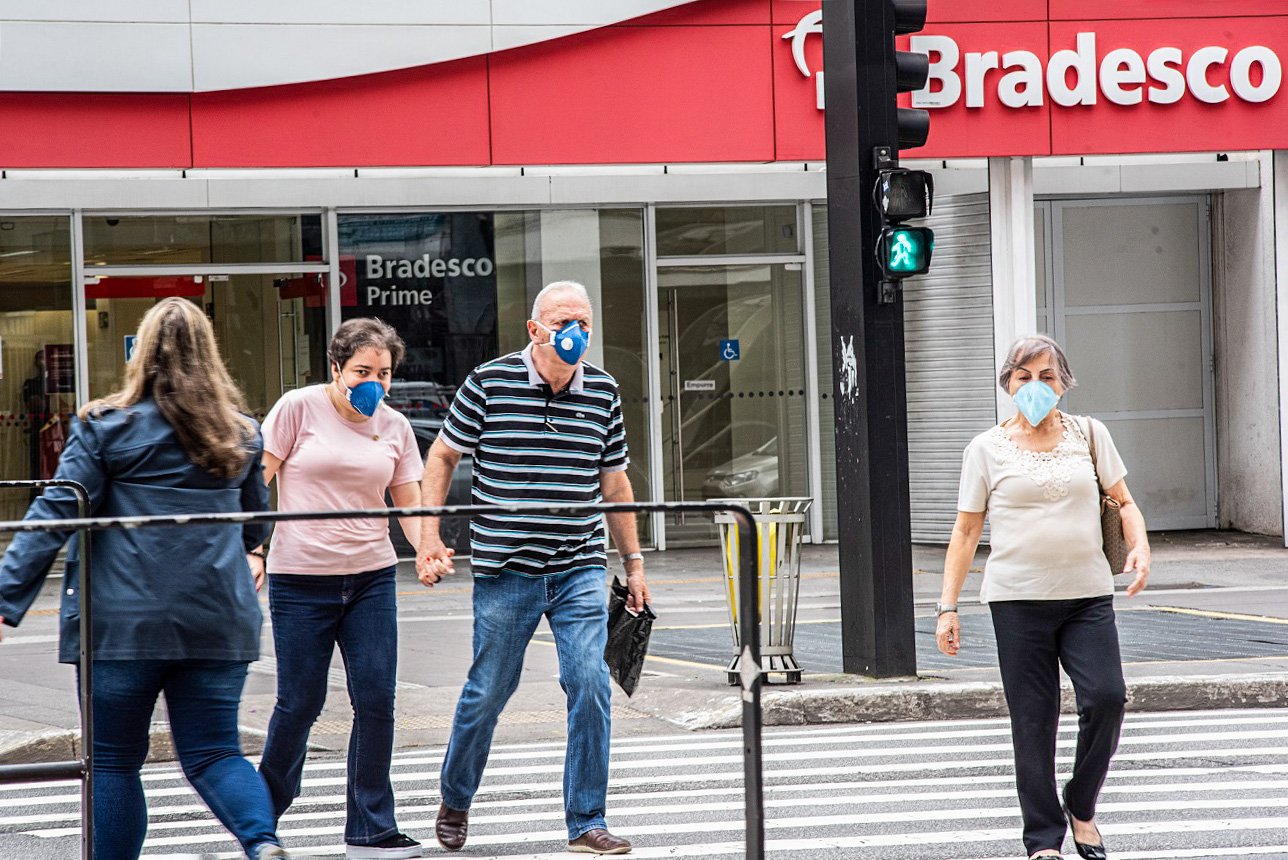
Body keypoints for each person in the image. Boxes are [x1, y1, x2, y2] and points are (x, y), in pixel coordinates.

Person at [0, 298, 287, 860]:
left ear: (142, 354)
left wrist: (6, 598)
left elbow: (57, 512)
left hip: (121, 624)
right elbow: (256, 520)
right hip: (217, 617)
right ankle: (263, 841)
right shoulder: (242, 434)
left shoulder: (103, 426)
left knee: (112, 760)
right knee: (213, 753)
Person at [419, 280, 648, 856]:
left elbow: (613, 480)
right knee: (489, 690)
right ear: (535, 329)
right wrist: (429, 535)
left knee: (591, 681)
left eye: (586, 323)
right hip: (506, 570)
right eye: (566, 321)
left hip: (578, 565)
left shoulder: (602, 391)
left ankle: (587, 820)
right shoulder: (489, 383)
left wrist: (634, 563)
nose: (577, 333)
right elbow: (443, 454)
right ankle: (455, 798)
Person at [935, 334, 1151, 860]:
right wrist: (948, 606)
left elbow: (1123, 502)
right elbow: (965, 533)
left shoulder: (1090, 435)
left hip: (1087, 597)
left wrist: (1141, 546)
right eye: (1024, 376)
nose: (1036, 386)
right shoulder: (985, 449)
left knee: (1107, 697)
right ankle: (1043, 840)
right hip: (1016, 601)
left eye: (1047, 376)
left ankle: (1081, 802)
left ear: (1064, 382)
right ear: (1008, 384)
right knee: (1033, 719)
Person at [255, 317, 425, 860]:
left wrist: (427, 548)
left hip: (371, 578)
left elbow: (409, 502)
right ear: (335, 368)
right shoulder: (297, 408)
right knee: (299, 703)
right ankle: (258, 818)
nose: (373, 381)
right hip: (300, 578)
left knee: (377, 700)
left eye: (384, 372)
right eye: (361, 371)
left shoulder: (394, 426)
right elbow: (255, 484)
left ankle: (372, 825)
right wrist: (253, 549)